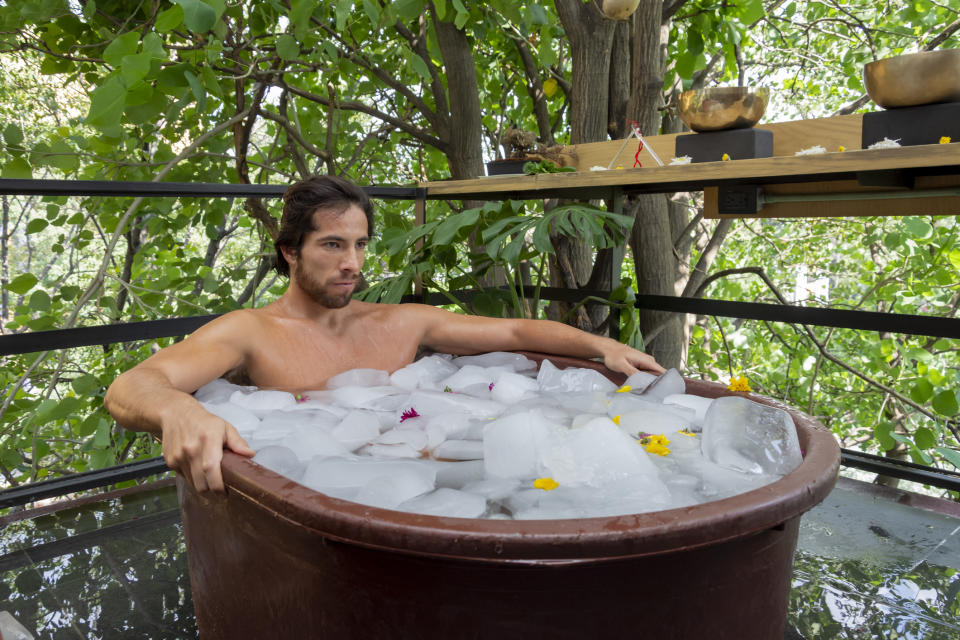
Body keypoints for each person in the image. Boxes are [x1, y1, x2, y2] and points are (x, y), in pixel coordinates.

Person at [104, 175, 665, 493]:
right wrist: (179, 411)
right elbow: (135, 385)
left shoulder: (401, 321)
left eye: (360, 245)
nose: (352, 262)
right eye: (332, 245)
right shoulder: (251, 332)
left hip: (429, 483)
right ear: (289, 252)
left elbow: (516, 329)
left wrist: (604, 347)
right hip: (325, 497)